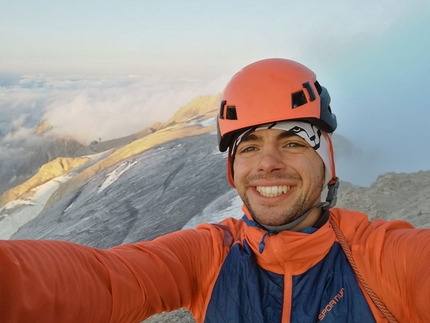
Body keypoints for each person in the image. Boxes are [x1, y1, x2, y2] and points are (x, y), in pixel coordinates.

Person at [0, 58, 429, 323]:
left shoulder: (382, 259)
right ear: (232, 168)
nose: (267, 163)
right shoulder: (210, 255)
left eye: (294, 142)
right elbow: (107, 282)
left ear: (327, 161)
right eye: (251, 146)